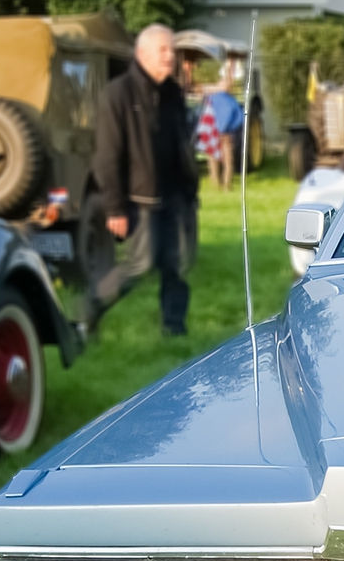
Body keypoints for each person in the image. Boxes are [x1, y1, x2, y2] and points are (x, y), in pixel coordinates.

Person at [87, 24, 198, 338]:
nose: (171, 57)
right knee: (140, 264)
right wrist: (114, 208)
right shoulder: (117, 94)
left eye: (172, 50)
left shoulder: (173, 93)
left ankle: (174, 329)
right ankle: (91, 307)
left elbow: (182, 144)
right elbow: (107, 156)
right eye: (164, 50)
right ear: (143, 54)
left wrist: (191, 189)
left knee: (178, 265)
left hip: (177, 196)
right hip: (141, 199)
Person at [205, 83, 244, 191]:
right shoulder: (231, 100)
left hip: (212, 132)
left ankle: (215, 184)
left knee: (212, 159)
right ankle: (227, 185)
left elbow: (203, 114)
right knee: (228, 161)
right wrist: (231, 127)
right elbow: (240, 117)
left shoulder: (210, 99)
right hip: (226, 134)